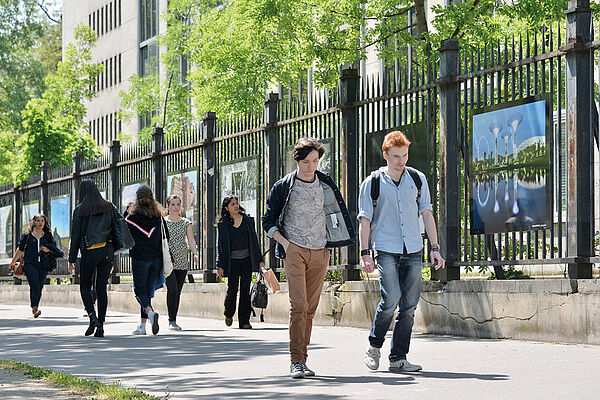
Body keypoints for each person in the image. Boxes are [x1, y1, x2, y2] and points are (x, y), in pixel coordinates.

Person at [262, 137, 355, 379]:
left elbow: (334, 215)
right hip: (295, 251)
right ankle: (295, 361)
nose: (311, 166)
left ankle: (303, 359)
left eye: (315, 161)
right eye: (306, 162)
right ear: (297, 161)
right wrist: (286, 244)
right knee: (299, 306)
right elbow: (267, 221)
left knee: (310, 309)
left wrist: (330, 245)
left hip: (320, 251)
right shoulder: (284, 186)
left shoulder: (326, 183)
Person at [358, 131, 445, 373]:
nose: (401, 160)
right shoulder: (372, 182)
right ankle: (374, 347)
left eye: (404, 155)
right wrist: (365, 253)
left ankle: (398, 357)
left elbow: (426, 214)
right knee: (391, 299)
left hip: (413, 248)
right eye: (396, 156)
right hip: (386, 248)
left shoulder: (417, 179)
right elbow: (365, 220)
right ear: (385, 155)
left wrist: (435, 249)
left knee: (409, 306)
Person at [68, 179, 124, 338]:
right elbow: (119, 222)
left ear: (82, 192)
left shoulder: (80, 209)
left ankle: (93, 318)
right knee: (101, 288)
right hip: (107, 251)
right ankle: (101, 327)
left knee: (85, 287)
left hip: (90, 252)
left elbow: (76, 236)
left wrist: (72, 259)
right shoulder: (109, 206)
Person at [125, 185, 168, 336]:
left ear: (137, 198)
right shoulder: (158, 216)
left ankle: (150, 313)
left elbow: (125, 235)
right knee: (148, 291)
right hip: (156, 258)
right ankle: (143, 326)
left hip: (139, 258)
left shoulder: (132, 218)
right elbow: (166, 236)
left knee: (139, 290)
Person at [216, 195, 264, 330]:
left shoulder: (248, 220)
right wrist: (220, 265)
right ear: (226, 208)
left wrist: (260, 260)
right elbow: (221, 246)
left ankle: (244, 321)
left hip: (247, 260)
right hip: (232, 262)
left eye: (236, 203)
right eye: (232, 204)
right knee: (232, 290)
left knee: (245, 290)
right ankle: (229, 313)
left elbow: (254, 241)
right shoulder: (223, 224)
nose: (236, 206)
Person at [9, 214, 64, 318]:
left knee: (40, 286)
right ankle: (35, 308)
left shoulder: (47, 235)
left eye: (42, 220)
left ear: (45, 222)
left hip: (43, 264)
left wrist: (48, 249)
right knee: (34, 285)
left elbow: (55, 249)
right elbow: (20, 249)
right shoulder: (27, 235)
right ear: (34, 222)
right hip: (30, 264)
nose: (40, 223)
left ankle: (35, 305)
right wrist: (13, 262)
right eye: (38, 220)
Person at [164, 194, 198, 330]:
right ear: (167, 206)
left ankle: (174, 319)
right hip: (167, 260)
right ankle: (171, 320)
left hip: (182, 260)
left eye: (178, 204)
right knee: (172, 288)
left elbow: (191, 240)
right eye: (172, 204)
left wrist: (195, 254)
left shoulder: (186, 222)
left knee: (177, 291)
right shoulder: (162, 222)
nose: (175, 207)